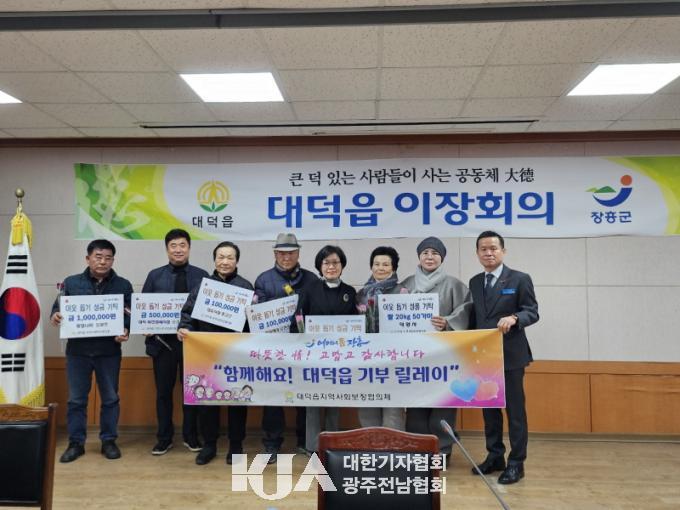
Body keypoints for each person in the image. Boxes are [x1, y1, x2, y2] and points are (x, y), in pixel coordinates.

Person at [50, 239, 133, 463]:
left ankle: (109, 441)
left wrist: (126, 329)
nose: (103, 261)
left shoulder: (123, 285)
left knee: (110, 398)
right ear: (88, 259)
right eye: (98, 257)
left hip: (109, 351)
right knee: (76, 400)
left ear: (113, 260)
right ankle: (76, 443)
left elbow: (130, 313)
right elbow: (58, 307)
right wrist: (55, 315)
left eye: (108, 258)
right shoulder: (71, 283)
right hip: (78, 352)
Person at [469, 231, 539, 485]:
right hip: (483, 356)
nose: (488, 253)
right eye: (483, 249)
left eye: (493, 248)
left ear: (503, 251)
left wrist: (515, 318)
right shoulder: (475, 282)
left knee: (515, 411)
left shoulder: (520, 279)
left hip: (510, 355)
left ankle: (517, 462)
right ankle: (495, 456)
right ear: (478, 253)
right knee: (489, 410)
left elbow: (532, 311)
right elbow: (473, 317)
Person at [177, 241, 252, 466]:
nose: (225, 261)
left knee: (238, 401)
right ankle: (209, 444)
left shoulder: (246, 287)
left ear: (236, 261)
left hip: (236, 355)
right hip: (206, 354)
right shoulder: (203, 286)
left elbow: (253, 322)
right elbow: (187, 314)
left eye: (230, 257)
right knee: (207, 401)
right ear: (214, 260)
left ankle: (236, 446)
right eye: (221, 257)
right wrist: (184, 328)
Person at [401, 236, 472, 457]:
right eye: (425, 253)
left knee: (443, 403)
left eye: (435, 253)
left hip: (444, 355)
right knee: (416, 404)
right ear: (419, 257)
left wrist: (448, 322)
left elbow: (467, 310)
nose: (429, 257)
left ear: (442, 258)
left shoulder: (454, 285)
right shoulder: (406, 285)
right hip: (414, 355)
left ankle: (442, 450)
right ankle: (418, 449)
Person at [142, 229, 209, 455]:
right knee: (163, 393)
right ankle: (164, 438)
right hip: (162, 345)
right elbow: (143, 307)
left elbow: (207, 310)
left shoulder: (202, 276)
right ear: (167, 249)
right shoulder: (155, 276)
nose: (178, 250)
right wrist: (144, 325)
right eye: (173, 245)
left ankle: (191, 435)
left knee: (192, 392)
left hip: (192, 345)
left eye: (182, 245)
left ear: (189, 248)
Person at [253, 233, 317, 462]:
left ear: (298, 253)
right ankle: (271, 444)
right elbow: (257, 314)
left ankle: (305, 441)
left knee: (305, 397)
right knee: (272, 398)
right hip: (274, 349)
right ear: (275, 253)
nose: (286, 257)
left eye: (291, 252)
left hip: (304, 349)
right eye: (282, 253)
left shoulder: (311, 279)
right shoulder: (263, 280)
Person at [294, 245, 356, 453]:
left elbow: (356, 325)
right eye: (326, 262)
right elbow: (298, 320)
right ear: (320, 266)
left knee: (334, 403)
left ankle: (332, 445)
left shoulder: (349, 292)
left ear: (342, 265)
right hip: (313, 357)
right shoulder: (309, 290)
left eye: (335, 262)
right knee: (312, 404)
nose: (331, 267)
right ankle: (312, 447)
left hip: (340, 357)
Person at [356, 246, 406, 430]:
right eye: (376, 264)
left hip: (393, 359)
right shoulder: (361, 294)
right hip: (366, 359)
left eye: (386, 264)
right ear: (371, 266)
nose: (380, 268)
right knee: (367, 407)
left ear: (393, 268)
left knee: (393, 409)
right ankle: (371, 444)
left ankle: (393, 445)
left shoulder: (402, 292)